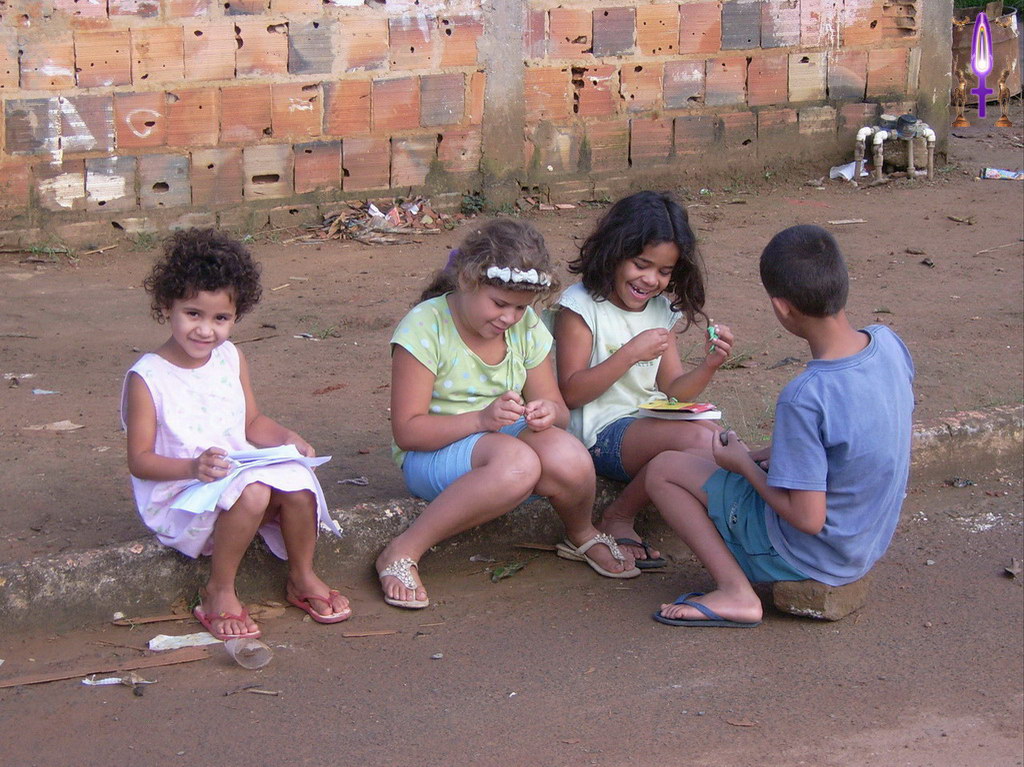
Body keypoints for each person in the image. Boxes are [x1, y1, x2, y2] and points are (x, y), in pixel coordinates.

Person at [647, 225, 914, 627]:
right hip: (864, 541)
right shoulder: (887, 342)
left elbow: (807, 519)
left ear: (782, 308)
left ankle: (736, 592)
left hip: (809, 552)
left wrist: (745, 466)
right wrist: (770, 455)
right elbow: (859, 434)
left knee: (664, 470)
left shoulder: (806, 394)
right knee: (698, 458)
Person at [380, 219, 640, 609]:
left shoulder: (524, 328)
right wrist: (480, 421)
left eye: (520, 307)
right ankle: (403, 549)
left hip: (498, 439)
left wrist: (543, 413)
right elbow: (408, 432)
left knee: (568, 454)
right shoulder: (425, 327)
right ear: (466, 280)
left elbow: (559, 411)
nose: (509, 318)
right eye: (499, 304)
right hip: (433, 453)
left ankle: (581, 532)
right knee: (519, 464)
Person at [122, 228, 351, 640]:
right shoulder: (148, 378)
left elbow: (250, 423)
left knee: (299, 481)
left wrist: (287, 438)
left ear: (236, 316)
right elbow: (139, 460)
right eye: (193, 313)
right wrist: (193, 467)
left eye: (220, 318)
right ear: (166, 306)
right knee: (255, 492)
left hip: (232, 476)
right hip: (181, 494)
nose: (206, 331)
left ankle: (301, 575)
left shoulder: (229, 357)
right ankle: (219, 590)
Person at [553, 191, 733, 569]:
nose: (651, 280)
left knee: (715, 438)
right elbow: (570, 393)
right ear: (614, 253)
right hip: (596, 433)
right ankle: (618, 516)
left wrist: (710, 365)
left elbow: (673, 389)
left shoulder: (659, 308)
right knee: (701, 440)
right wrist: (629, 354)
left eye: (665, 272)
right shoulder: (581, 307)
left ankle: (739, 516)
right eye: (641, 264)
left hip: (645, 422)